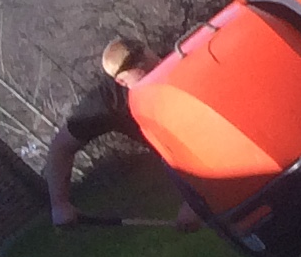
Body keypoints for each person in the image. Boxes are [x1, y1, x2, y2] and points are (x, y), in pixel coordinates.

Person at [44, 39, 202, 232]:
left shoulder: (185, 56)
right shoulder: (109, 101)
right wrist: (59, 205)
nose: (144, 62)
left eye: (141, 53)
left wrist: (196, 201)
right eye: (133, 63)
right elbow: (60, 148)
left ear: (147, 48)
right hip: (193, 170)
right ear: (121, 80)